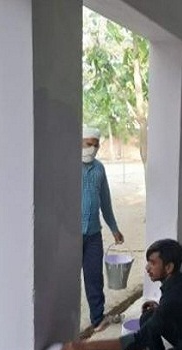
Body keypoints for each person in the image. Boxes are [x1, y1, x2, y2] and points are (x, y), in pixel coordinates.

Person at [81, 127, 124, 332]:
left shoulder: (99, 169)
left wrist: (114, 228)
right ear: (79, 142)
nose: (93, 149)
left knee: (94, 278)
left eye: (96, 145)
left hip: (93, 234)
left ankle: (97, 318)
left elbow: (105, 202)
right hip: (71, 235)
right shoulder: (69, 167)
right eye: (89, 144)